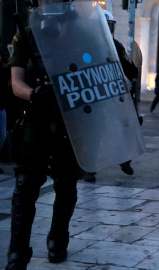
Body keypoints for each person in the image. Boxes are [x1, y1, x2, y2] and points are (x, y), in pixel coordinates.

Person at [6, 0, 95, 267]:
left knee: (66, 184)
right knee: (25, 186)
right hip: (37, 118)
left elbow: (104, 71)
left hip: (73, 121)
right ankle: (17, 252)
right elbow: (16, 83)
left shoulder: (84, 34)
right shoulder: (28, 33)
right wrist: (34, 94)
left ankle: (58, 239)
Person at [83, 9, 137, 182]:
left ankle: (124, 159)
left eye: (108, 26)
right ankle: (89, 168)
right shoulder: (83, 46)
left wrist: (133, 72)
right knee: (93, 132)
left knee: (122, 127)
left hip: (113, 92)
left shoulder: (116, 45)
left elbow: (127, 67)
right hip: (91, 94)